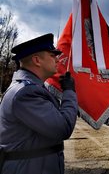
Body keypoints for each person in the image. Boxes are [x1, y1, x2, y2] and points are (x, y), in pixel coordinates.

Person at [0, 33, 78, 174]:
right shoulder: (26, 93)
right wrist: (69, 92)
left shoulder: (30, 88)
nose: (57, 60)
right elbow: (62, 128)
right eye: (52, 55)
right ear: (37, 60)